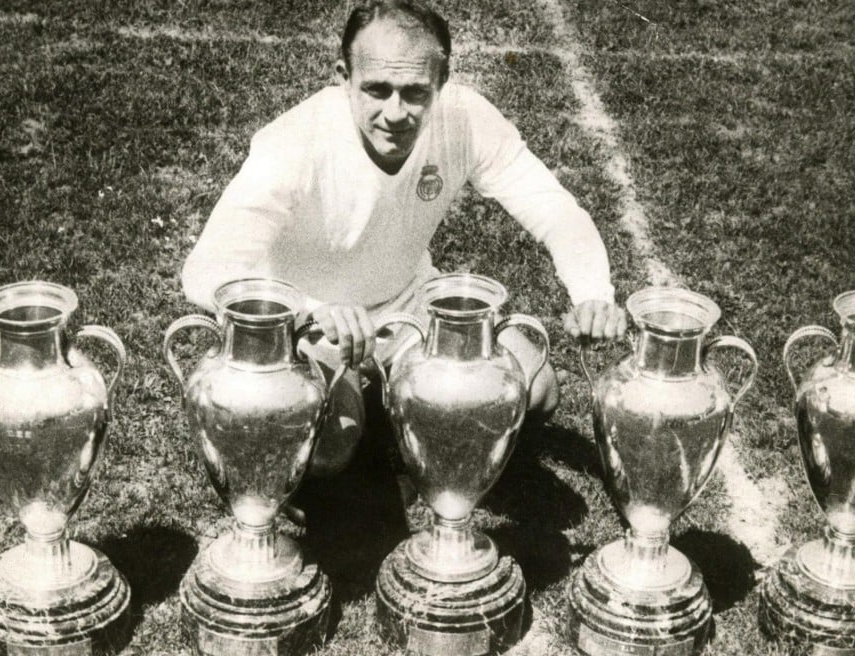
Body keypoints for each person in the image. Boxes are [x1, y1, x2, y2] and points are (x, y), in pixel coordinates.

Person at [182, 0, 627, 475]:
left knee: (535, 389)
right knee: (330, 450)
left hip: (408, 305)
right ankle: (379, 408)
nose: (395, 112)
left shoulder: (465, 118)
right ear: (343, 77)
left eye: (415, 92)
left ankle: (398, 408)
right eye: (377, 89)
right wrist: (311, 310)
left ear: (442, 80)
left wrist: (593, 294)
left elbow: (554, 209)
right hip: (311, 324)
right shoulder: (292, 144)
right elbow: (205, 271)